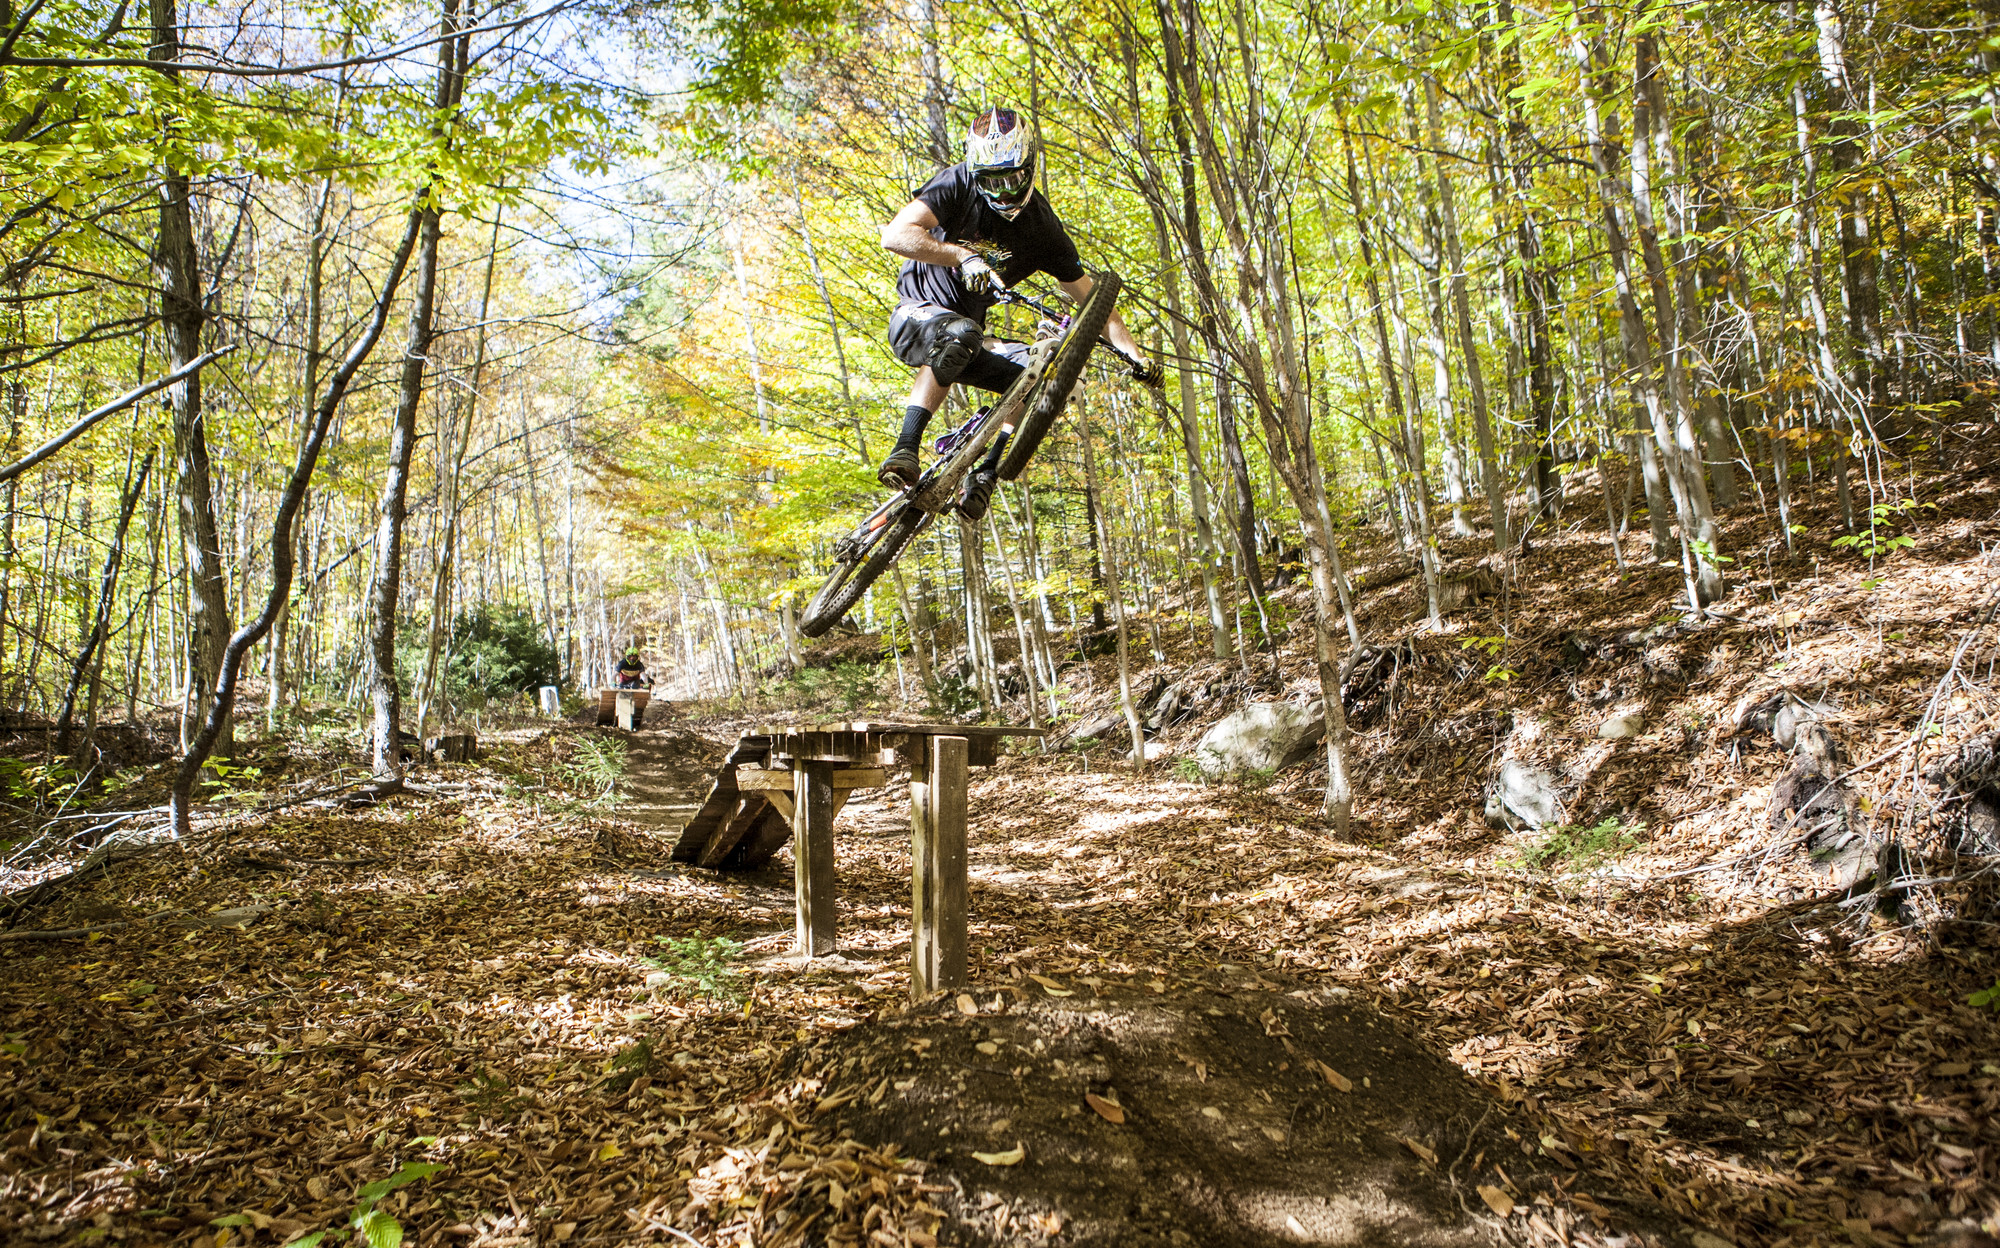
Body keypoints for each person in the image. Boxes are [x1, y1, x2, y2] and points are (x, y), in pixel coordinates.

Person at [878, 106, 1162, 521]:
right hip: (916, 318)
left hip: (971, 339)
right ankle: (905, 448)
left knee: (1041, 382)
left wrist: (1136, 356)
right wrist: (961, 256)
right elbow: (895, 233)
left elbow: (1096, 305)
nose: (1005, 191)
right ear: (976, 172)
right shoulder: (957, 183)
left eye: (1012, 178)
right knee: (962, 333)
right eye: (993, 181)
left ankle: (985, 474)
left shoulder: (1041, 228)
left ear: (1029, 167)